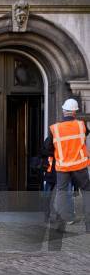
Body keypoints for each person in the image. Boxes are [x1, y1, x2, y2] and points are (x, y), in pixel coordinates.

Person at [44, 98, 90, 233]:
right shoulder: (82, 126)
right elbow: (84, 136)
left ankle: (59, 225)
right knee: (87, 193)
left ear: (64, 111)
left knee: (61, 193)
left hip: (62, 167)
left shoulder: (55, 129)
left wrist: (58, 152)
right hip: (79, 166)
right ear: (75, 112)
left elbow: (47, 148)